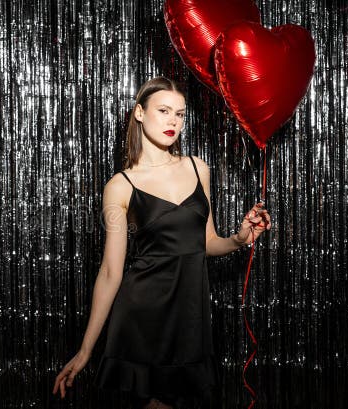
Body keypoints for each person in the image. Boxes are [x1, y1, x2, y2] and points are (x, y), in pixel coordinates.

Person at [51, 77, 272, 409]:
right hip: (143, 315)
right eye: (164, 111)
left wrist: (239, 239)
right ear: (140, 113)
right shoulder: (120, 186)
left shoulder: (198, 169)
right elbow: (111, 271)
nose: (173, 121)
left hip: (190, 315)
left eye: (180, 114)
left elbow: (206, 242)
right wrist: (85, 351)